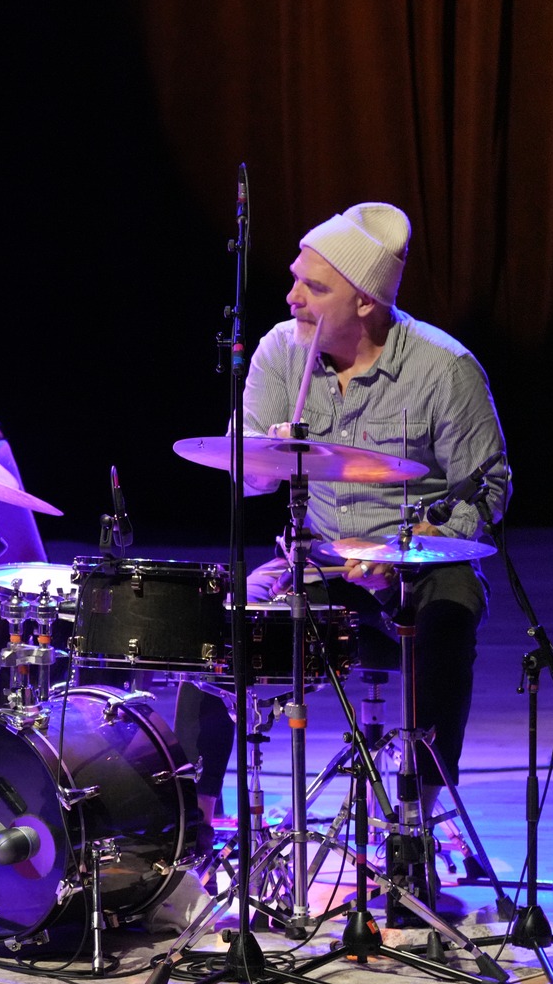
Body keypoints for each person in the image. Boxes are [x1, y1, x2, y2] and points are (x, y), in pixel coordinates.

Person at [180, 202, 510, 851]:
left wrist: (412, 548)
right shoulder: (281, 351)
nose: (292, 297)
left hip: (423, 564)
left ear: (364, 301)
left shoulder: (445, 369)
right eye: (295, 279)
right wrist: (267, 455)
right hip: (321, 560)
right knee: (219, 622)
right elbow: (247, 477)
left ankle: (415, 815)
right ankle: (195, 821)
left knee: (449, 617)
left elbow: (489, 489)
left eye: (314, 287)